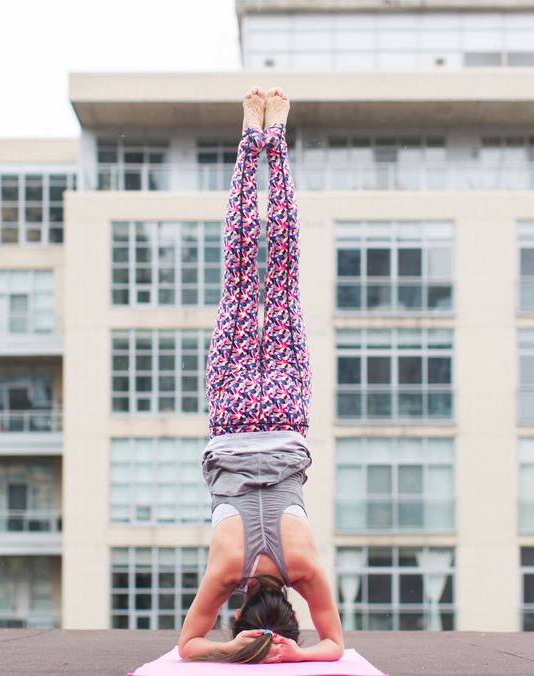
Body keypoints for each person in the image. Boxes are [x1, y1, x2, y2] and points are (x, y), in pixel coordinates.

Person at [177, 87, 344, 665]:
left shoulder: (306, 570)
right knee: (242, 270)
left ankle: (275, 141)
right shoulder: (226, 573)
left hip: (285, 414)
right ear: (239, 606)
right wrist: (233, 650)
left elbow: (334, 647)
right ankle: (254, 138)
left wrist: (292, 656)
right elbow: (190, 646)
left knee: (284, 270)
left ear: (289, 610)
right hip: (230, 415)